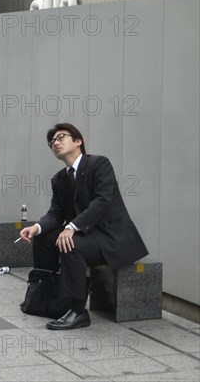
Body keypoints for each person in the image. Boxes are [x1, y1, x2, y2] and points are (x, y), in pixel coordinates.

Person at [19, 123, 148, 330]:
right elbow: (55, 213)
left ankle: (77, 311)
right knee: (44, 238)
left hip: (109, 236)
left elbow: (102, 201)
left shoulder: (99, 164)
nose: (56, 143)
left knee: (71, 243)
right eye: (52, 142)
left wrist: (71, 227)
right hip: (86, 235)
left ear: (78, 141)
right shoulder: (59, 179)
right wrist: (36, 228)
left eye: (61, 137)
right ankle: (49, 297)